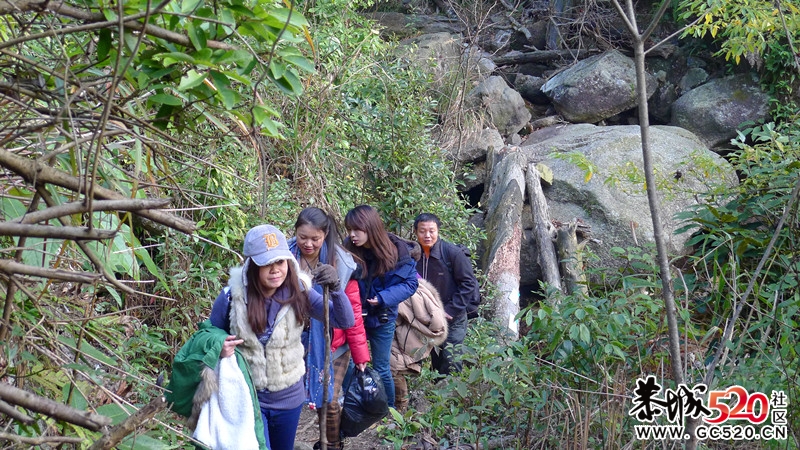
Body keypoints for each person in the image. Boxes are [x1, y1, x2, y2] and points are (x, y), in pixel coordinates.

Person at [209, 224, 355, 450]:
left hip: (289, 398)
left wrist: (336, 287)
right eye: (266, 264)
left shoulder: (300, 292)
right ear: (251, 265)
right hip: (249, 399)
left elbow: (344, 321)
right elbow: (209, 334)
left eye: (280, 261)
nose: (275, 269)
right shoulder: (232, 297)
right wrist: (219, 345)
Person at [287, 207, 370, 449]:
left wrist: (361, 355)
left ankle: (332, 443)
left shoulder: (343, 264)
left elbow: (352, 314)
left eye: (315, 238)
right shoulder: (284, 257)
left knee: (329, 399)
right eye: (303, 237)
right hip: (295, 340)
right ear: (295, 233)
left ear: (325, 234)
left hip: (334, 342)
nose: (308, 244)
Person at [343, 204, 418, 408]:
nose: (352, 235)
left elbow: (410, 284)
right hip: (355, 316)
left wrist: (383, 298)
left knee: (382, 366)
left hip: (382, 316)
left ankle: (389, 410)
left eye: (357, 230)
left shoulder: (396, 252)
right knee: (348, 363)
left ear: (371, 228)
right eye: (349, 230)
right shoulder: (347, 249)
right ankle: (355, 404)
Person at [413, 213, 479, 375]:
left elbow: (468, 283)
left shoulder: (452, 253)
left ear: (438, 231)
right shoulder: (413, 256)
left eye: (431, 231)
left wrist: (450, 310)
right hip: (429, 318)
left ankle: (452, 397)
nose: (427, 235)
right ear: (415, 232)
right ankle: (437, 396)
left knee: (451, 359)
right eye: (422, 231)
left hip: (453, 316)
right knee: (437, 358)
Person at [390, 277, 448, 412]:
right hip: (409, 336)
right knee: (395, 367)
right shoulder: (412, 280)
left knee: (395, 366)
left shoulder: (407, 290)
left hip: (409, 336)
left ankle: (401, 407)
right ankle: (400, 407)